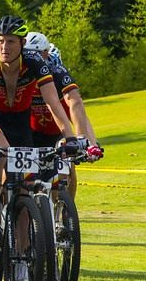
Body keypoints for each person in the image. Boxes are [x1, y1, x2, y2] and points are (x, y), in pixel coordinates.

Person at [0, 16, 77, 249]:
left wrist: (70, 136)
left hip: (20, 125)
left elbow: (53, 104)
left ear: (22, 43)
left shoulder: (35, 61)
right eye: (0, 41)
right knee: (0, 153)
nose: (4, 47)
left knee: (25, 202)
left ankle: (23, 271)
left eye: (11, 42)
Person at [24, 32, 103, 197]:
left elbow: (79, 112)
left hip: (57, 133)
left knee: (68, 165)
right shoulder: (24, 78)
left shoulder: (59, 74)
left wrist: (90, 143)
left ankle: (66, 212)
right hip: (31, 133)